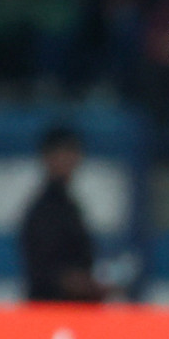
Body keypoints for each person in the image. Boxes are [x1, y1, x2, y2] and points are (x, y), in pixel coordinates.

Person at [19, 124, 108, 302]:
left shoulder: (70, 206)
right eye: (61, 153)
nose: (68, 160)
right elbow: (47, 272)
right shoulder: (43, 211)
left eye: (72, 153)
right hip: (49, 311)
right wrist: (88, 284)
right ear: (46, 158)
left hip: (75, 312)